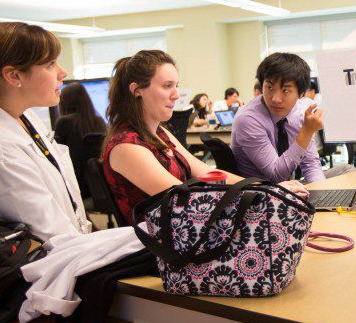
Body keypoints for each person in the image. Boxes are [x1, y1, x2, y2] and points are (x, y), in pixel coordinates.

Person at [103, 50, 306, 225]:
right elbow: (181, 198)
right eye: (167, 86)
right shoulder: (126, 146)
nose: (176, 94)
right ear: (137, 91)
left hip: (185, 230)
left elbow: (208, 173)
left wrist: (269, 189)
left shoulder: (160, 133)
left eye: (176, 85)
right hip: (160, 244)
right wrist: (266, 193)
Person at [0, 22, 91, 241]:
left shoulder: (20, 113)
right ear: (13, 76)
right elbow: (49, 236)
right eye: (50, 64)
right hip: (47, 256)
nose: (63, 72)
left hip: (69, 245)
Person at [231, 53, 325, 184]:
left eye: (285, 90)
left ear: (301, 94)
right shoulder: (247, 119)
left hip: (288, 186)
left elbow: (310, 165)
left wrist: (321, 191)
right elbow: (276, 176)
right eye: (269, 87)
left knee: (346, 171)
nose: (275, 99)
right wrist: (306, 132)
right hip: (260, 190)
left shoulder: (300, 113)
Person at [53, 83, 106, 196]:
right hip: (99, 186)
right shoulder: (99, 121)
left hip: (76, 185)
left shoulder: (63, 122)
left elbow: (55, 157)